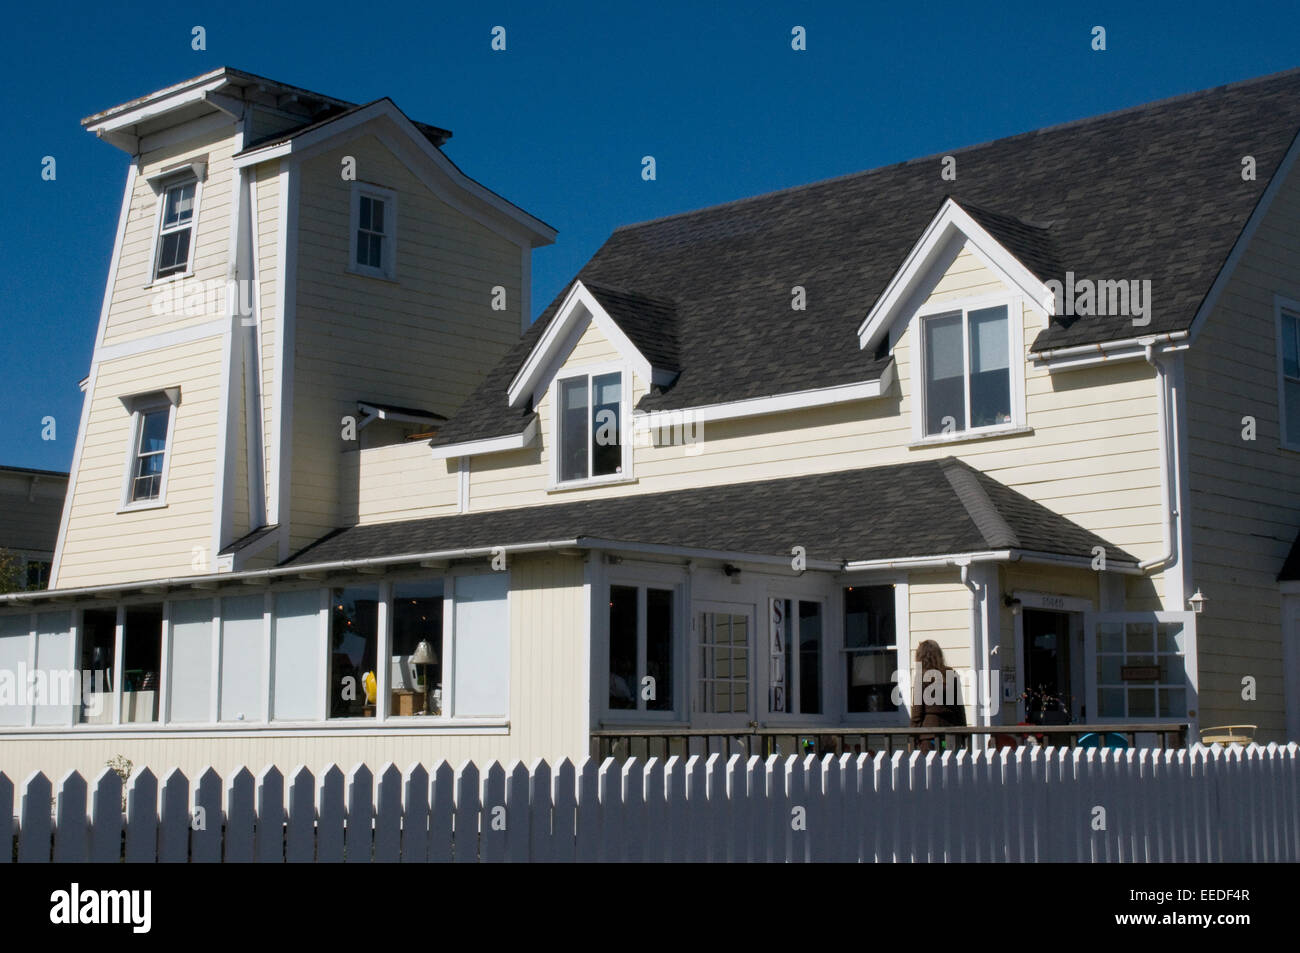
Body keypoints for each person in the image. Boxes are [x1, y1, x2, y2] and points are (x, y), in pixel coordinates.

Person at [909, 640, 966, 752]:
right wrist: (963, 734)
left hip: (929, 736)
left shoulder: (922, 677)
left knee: (931, 768)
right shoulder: (951, 675)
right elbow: (960, 710)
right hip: (951, 732)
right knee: (951, 767)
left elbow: (917, 713)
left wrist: (912, 738)